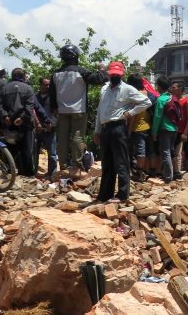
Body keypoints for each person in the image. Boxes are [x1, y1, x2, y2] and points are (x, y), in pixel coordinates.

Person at [93, 62, 150, 202]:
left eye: (117, 74)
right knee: (107, 163)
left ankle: (123, 194)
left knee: (121, 162)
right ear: (108, 73)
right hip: (106, 128)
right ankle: (105, 194)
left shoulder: (127, 89)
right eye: (112, 74)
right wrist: (97, 130)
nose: (114, 76)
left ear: (122, 74)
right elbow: (100, 110)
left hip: (118, 127)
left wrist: (130, 113)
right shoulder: (105, 89)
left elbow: (146, 102)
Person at [50, 44, 107, 178]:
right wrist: (102, 70)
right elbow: (98, 79)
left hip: (62, 110)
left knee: (62, 138)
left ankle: (63, 165)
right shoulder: (81, 71)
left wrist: (54, 109)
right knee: (77, 137)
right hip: (79, 110)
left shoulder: (56, 73)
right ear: (75, 56)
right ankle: (77, 165)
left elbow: (52, 95)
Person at [1, 68, 40, 176]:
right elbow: (29, 106)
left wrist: (5, 116)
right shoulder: (28, 88)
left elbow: (0, 105)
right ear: (24, 76)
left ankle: (10, 171)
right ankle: (27, 173)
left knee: (11, 147)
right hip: (25, 123)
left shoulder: (5, 88)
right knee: (27, 148)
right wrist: (22, 118)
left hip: (10, 122)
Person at [169, 80, 188, 184]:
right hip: (176, 130)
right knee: (172, 151)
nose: (172, 89)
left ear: (180, 89)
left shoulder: (187, 101)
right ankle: (176, 172)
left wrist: (185, 133)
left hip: (187, 131)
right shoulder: (174, 101)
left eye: (174, 87)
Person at [125, 75, 153, 181]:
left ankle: (139, 172)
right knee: (145, 150)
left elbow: (133, 115)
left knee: (139, 151)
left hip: (137, 127)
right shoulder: (148, 94)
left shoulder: (136, 96)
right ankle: (143, 171)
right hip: (148, 126)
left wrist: (129, 130)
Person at [35, 77, 58, 179]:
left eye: (49, 85)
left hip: (50, 128)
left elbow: (56, 112)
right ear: (40, 85)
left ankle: (52, 174)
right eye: (45, 85)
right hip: (37, 128)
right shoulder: (35, 97)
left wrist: (51, 124)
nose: (48, 87)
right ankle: (33, 172)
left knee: (52, 153)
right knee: (34, 152)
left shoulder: (53, 97)